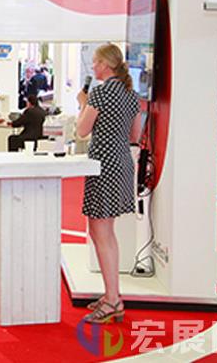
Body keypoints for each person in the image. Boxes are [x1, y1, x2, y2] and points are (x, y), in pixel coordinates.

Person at [76, 43, 140, 324]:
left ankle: (113, 299)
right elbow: (135, 134)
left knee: (100, 232)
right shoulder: (131, 94)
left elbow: (81, 130)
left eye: (95, 61)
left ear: (105, 64)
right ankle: (112, 294)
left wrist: (83, 103)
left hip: (103, 164)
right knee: (106, 232)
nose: (93, 66)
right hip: (122, 162)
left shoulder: (100, 93)